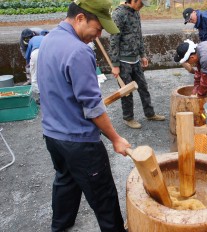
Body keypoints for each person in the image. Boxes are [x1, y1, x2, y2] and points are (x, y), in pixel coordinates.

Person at [37, 1, 130, 231]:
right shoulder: (79, 51)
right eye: (97, 29)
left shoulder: (48, 40)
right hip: (79, 143)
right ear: (80, 18)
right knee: (104, 196)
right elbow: (93, 108)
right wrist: (116, 138)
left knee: (66, 182)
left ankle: (60, 227)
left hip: (53, 136)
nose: (98, 35)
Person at [110, 0, 165, 129]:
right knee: (127, 92)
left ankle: (150, 113)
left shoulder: (136, 13)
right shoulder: (118, 14)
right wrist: (115, 64)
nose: (141, 7)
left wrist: (143, 55)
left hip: (135, 59)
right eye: (140, 4)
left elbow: (138, 35)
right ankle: (128, 118)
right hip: (123, 62)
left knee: (143, 87)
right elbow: (114, 40)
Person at [25, 30, 49, 103]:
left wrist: (28, 64)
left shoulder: (32, 40)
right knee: (46, 74)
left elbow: (27, 55)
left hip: (36, 52)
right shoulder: (45, 37)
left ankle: (41, 97)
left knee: (34, 76)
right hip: (47, 52)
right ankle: (49, 94)